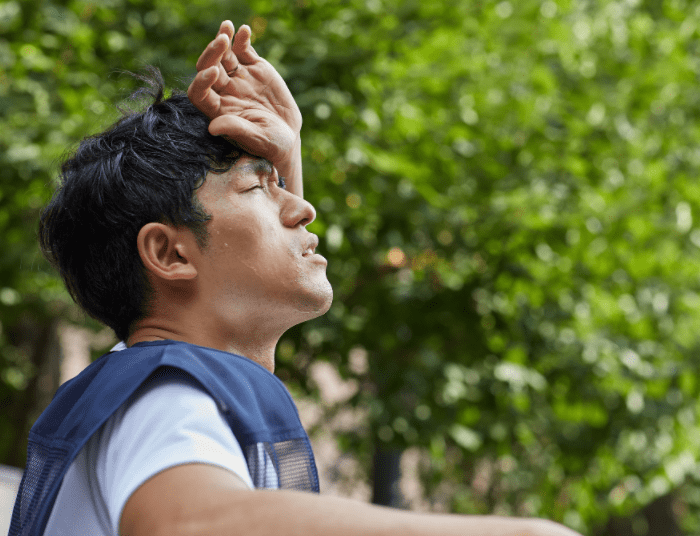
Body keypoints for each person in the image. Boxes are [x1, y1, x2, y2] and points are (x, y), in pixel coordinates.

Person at [10, 21, 583, 536]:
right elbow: (188, 525)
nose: (304, 210)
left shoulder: (152, 382)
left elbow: (243, 273)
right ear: (169, 252)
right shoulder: (166, 397)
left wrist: (286, 157)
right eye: (263, 187)